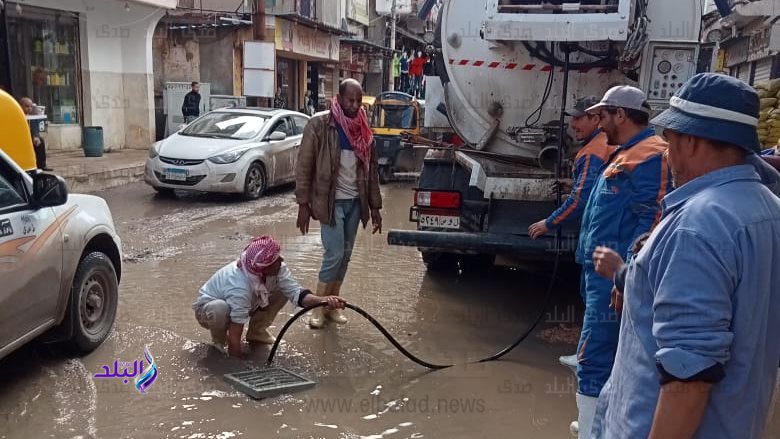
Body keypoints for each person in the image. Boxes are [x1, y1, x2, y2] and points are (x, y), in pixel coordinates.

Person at [590, 73, 780, 439]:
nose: (667, 152)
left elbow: (689, 379)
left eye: (671, 140)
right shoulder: (768, 210)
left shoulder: (697, 226)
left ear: (690, 141)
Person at [571, 85, 673, 438]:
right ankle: (596, 423)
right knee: (601, 356)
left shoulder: (651, 155)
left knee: (594, 357)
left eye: (603, 116)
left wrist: (627, 276)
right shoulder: (624, 153)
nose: (599, 124)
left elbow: (653, 219)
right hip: (601, 274)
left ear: (622, 115)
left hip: (614, 279)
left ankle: (590, 429)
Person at [527, 96, 616, 371]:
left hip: (601, 238)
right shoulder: (607, 146)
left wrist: (548, 223)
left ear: (596, 118)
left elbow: (579, 200)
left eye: (579, 118)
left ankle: (587, 365)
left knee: (596, 305)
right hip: (609, 235)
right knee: (603, 306)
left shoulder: (591, 152)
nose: (573, 124)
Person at [295, 78, 383, 329]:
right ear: (339, 98)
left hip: (356, 202)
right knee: (333, 253)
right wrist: (303, 204)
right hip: (329, 202)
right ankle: (319, 307)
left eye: (358, 100)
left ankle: (333, 307)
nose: (355, 105)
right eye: (350, 100)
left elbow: (371, 171)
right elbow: (304, 166)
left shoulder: (365, 129)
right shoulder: (320, 124)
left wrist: (375, 208)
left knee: (345, 256)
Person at [192, 235, 345, 359]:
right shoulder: (239, 285)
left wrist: (323, 300)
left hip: (248, 303)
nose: (282, 260)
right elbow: (236, 331)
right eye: (276, 260)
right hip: (209, 310)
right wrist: (236, 363)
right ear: (263, 269)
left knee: (282, 289)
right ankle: (218, 342)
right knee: (220, 309)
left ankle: (256, 331)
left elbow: (297, 294)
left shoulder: (277, 269)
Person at [19, 97, 51, 171]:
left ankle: (41, 165)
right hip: (21, 138)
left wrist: (36, 136)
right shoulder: (18, 115)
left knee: (41, 141)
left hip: (31, 137)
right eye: (27, 106)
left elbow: (35, 127)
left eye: (31, 106)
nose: (29, 108)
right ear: (20, 106)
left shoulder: (31, 116)